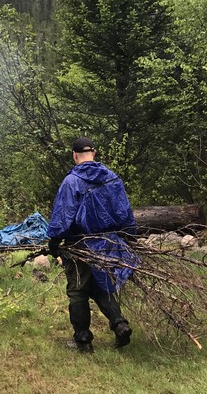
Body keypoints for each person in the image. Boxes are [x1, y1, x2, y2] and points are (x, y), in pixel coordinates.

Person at [46, 137, 138, 353]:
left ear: (74, 155)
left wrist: (54, 241)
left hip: (80, 244)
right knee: (100, 286)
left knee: (78, 291)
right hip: (108, 243)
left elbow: (63, 214)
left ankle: (83, 341)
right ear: (94, 153)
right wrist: (129, 237)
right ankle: (119, 324)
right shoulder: (112, 178)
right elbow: (125, 211)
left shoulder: (71, 182)